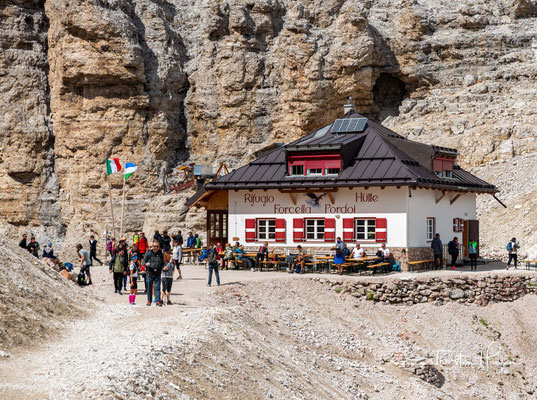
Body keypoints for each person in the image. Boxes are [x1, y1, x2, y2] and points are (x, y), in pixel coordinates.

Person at [143, 240, 165, 306]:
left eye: (157, 246)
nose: (155, 247)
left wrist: (165, 267)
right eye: (154, 246)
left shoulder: (160, 253)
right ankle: (149, 301)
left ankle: (158, 301)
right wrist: (146, 264)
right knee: (149, 287)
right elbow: (143, 262)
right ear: (152, 246)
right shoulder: (148, 253)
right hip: (150, 273)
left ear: (159, 247)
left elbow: (163, 263)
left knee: (157, 287)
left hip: (158, 273)